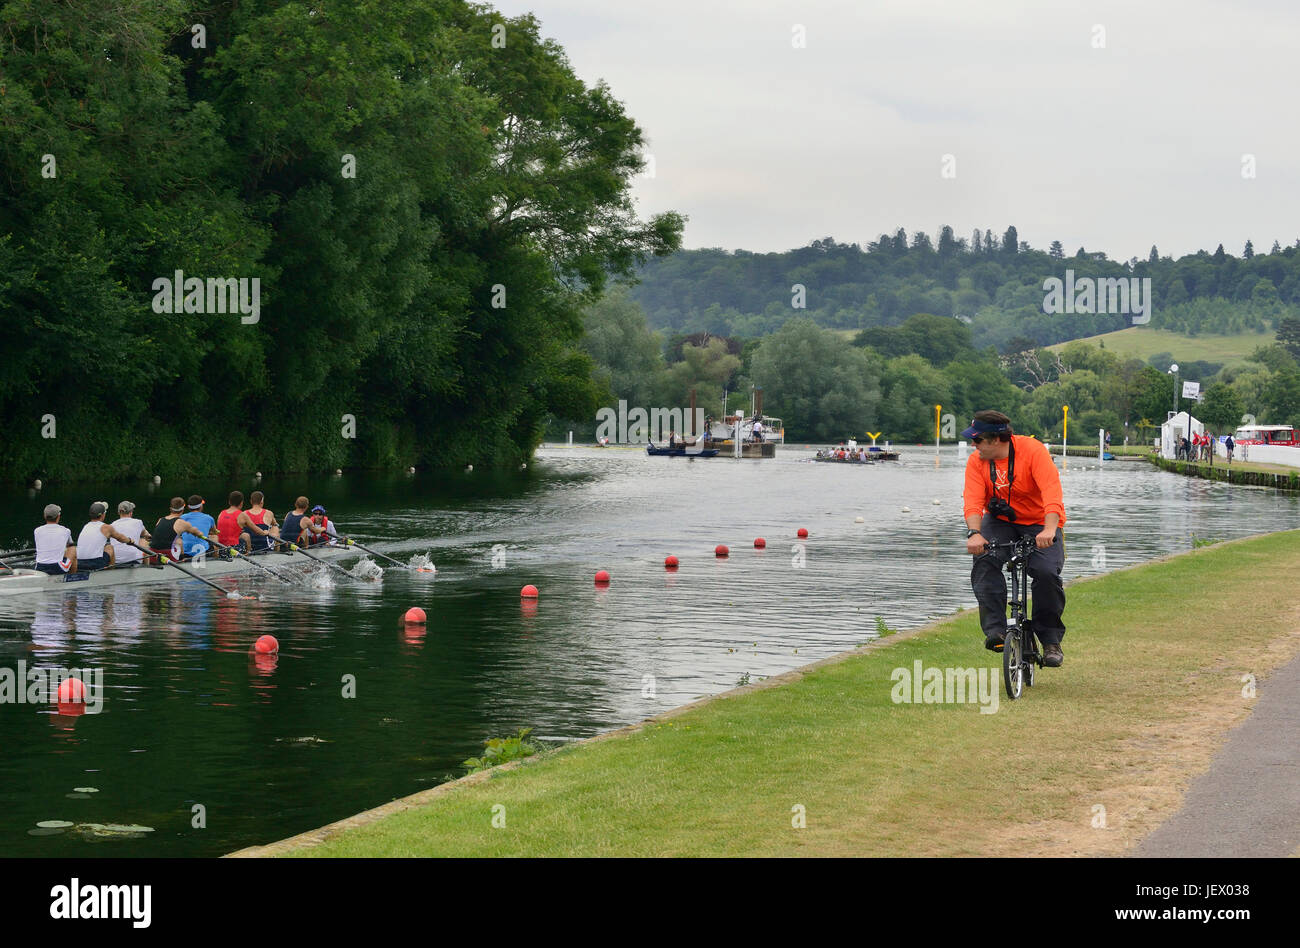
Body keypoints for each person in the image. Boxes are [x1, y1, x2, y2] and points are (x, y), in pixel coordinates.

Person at [962, 410, 1067, 667]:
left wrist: (1049, 530)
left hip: (1040, 522)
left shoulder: (1033, 451)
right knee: (984, 560)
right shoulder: (977, 461)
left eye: (977, 440)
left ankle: (1050, 639)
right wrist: (975, 533)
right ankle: (996, 631)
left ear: (995, 440)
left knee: (1046, 573)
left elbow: (1052, 493)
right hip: (1001, 521)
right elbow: (973, 501)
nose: (973, 446)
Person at [76, 501, 137, 571]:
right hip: (95, 564)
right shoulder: (106, 527)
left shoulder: (85, 526)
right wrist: (129, 540)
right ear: (103, 515)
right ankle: (110, 573)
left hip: (79, 563)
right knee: (109, 547)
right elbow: (121, 538)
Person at [33, 504, 77, 575]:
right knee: (73, 549)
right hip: (57, 568)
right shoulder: (65, 531)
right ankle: (72, 577)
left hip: (39, 568)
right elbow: (69, 546)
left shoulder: (37, 531)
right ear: (58, 517)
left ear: (44, 516)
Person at [108, 501, 151, 566]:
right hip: (134, 560)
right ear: (131, 513)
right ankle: (146, 568)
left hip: (116, 561)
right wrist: (149, 537)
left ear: (118, 512)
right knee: (143, 540)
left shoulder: (111, 525)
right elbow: (146, 534)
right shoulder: (138, 522)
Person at [178, 495, 217, 559]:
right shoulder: (209, 518)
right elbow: (214, 532)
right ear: (201, 506)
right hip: (203, 552)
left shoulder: (181, 517)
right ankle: (216, 559)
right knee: (215, 536)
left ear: (189, 507)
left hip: (185, 552)